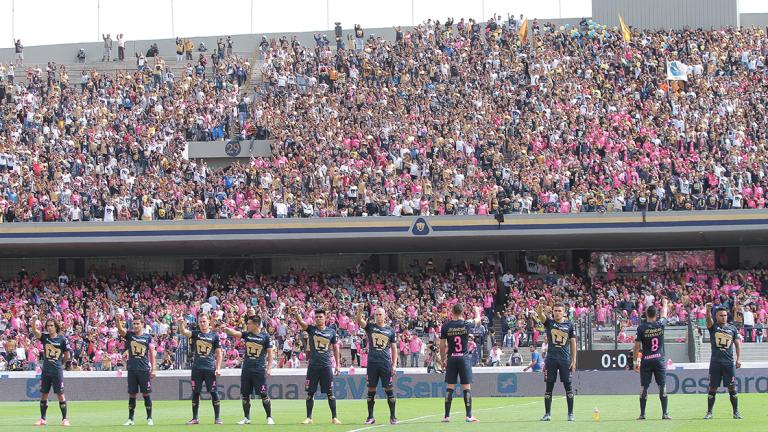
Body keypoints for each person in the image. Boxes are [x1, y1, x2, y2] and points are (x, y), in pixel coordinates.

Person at [290, 306, 341, 425]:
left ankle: (334, 417)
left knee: (330, 393)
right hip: (313, 366)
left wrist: (338, 365)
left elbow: (335, 348)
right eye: (316, 317)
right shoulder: (311, 329)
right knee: (310, 393)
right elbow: (301, 322)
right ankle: (309, 417)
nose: (318, 318)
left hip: (326, 366)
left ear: (325, 318)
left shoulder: (331, 332)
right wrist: (296, 313)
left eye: (320, 317)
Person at [220, 316, 275, 425]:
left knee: (263, 394)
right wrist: (226, 329)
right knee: (245, 395)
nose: (247, 325)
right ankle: (246, 418)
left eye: (249, 323)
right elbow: (236, 333)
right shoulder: (247, 334)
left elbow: (270, 354)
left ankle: (269, 417)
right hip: (246, 369)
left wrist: (269, 368)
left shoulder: (265, 337)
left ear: (256, 325)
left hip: (259, 370)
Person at [355, 305, 398, 425]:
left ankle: (393, 417)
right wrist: (359, 311)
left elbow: (394, 349)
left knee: (389, 390)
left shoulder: (390, 331)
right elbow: (359, 320)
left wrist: (394, 365)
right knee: (371, 390)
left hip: (385, 363)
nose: (378, 316)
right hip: (372, 364)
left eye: (380, 314)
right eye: (376, 314)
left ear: (385, 316)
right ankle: (370, 417)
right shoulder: (370, 327)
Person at [439, 304, 482, 423]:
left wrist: (443, 359)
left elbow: (442, 346)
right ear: (462, 312)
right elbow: (478, 320)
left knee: (450, 387)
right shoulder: (466, 324)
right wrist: (477, 310)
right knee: (466, 387)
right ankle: (469, 416)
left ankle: (446, 416)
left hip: (452, 358)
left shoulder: (445, 326)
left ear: (451, 311)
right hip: (463, 358)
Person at [178, 314, 223, 425]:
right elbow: (184, 332)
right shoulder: (195, 333)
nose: (202, 323)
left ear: (209, 322)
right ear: (198, 323)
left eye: (204, 321)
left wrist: (218, 368)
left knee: (213, 392)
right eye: (201, 321)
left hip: (209, 368)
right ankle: (195, 418)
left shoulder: (214, 336)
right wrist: (180, 323)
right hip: (197, 368)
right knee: (195, 392)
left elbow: (219, 353)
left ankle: (217, 418)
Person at [536, 300, 577, 422]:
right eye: (555, 311)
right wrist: (541, 306)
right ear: (552, 312)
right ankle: (547, 414)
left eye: (560, 311)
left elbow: (573, 343)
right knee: (549, 387)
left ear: (564, 312)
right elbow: (540, 315)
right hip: (551, 360)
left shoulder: (569, 325)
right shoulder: (549, 323)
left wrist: (574, 360)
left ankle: (570, 414)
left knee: (568, 387)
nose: (557, 313)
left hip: (565, 360)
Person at [633, 298, 671, 420]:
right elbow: (665, 313)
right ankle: (664, 413)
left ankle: (642, 414)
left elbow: (637, 347)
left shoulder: (641, 328)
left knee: (644, 386)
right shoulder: (660, 324)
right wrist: (664, 303)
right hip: (659, 359)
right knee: (662, 386)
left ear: (646, 314)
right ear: (656, 315)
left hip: (646, 360)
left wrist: (635, 362)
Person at [116, 313, 156, 426]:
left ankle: (149, 418)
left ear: (142, 325)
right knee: (132, 394)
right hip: (132, 369)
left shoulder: (148, 337)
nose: (136, 326)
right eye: (134, 324)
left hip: (144, 370)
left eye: (138, 324)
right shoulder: (130, 335)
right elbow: (120, 329)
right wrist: (117, 320)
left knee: (146, 394)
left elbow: (152, 353)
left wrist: (154, 369)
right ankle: (130, 419)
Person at [30, 315, 70, 426]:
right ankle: (43, 419)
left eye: (51, 325)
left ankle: (65, 419)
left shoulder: (62, 339)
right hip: (46, 370)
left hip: (57, 371)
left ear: (56, 327)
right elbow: (34, 331)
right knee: (44, 394)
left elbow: (67, 354)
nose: (49, 327)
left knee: (60, 395)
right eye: (47, 325)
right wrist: (33, 321)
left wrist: (62, 364)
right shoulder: (45, 337)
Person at [704, 303, 743, 419]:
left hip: (728, 363)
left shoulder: (732, 328)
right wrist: (708, 310)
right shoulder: (713, 327)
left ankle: (736, 412)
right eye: (721, 315)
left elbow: (737, 344)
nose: (723, 317)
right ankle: (709, 412)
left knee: (732, 387)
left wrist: (739, 359)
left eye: (725, 315)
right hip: (715, 362)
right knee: (712, 387)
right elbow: (708, 320)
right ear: (716, 316)